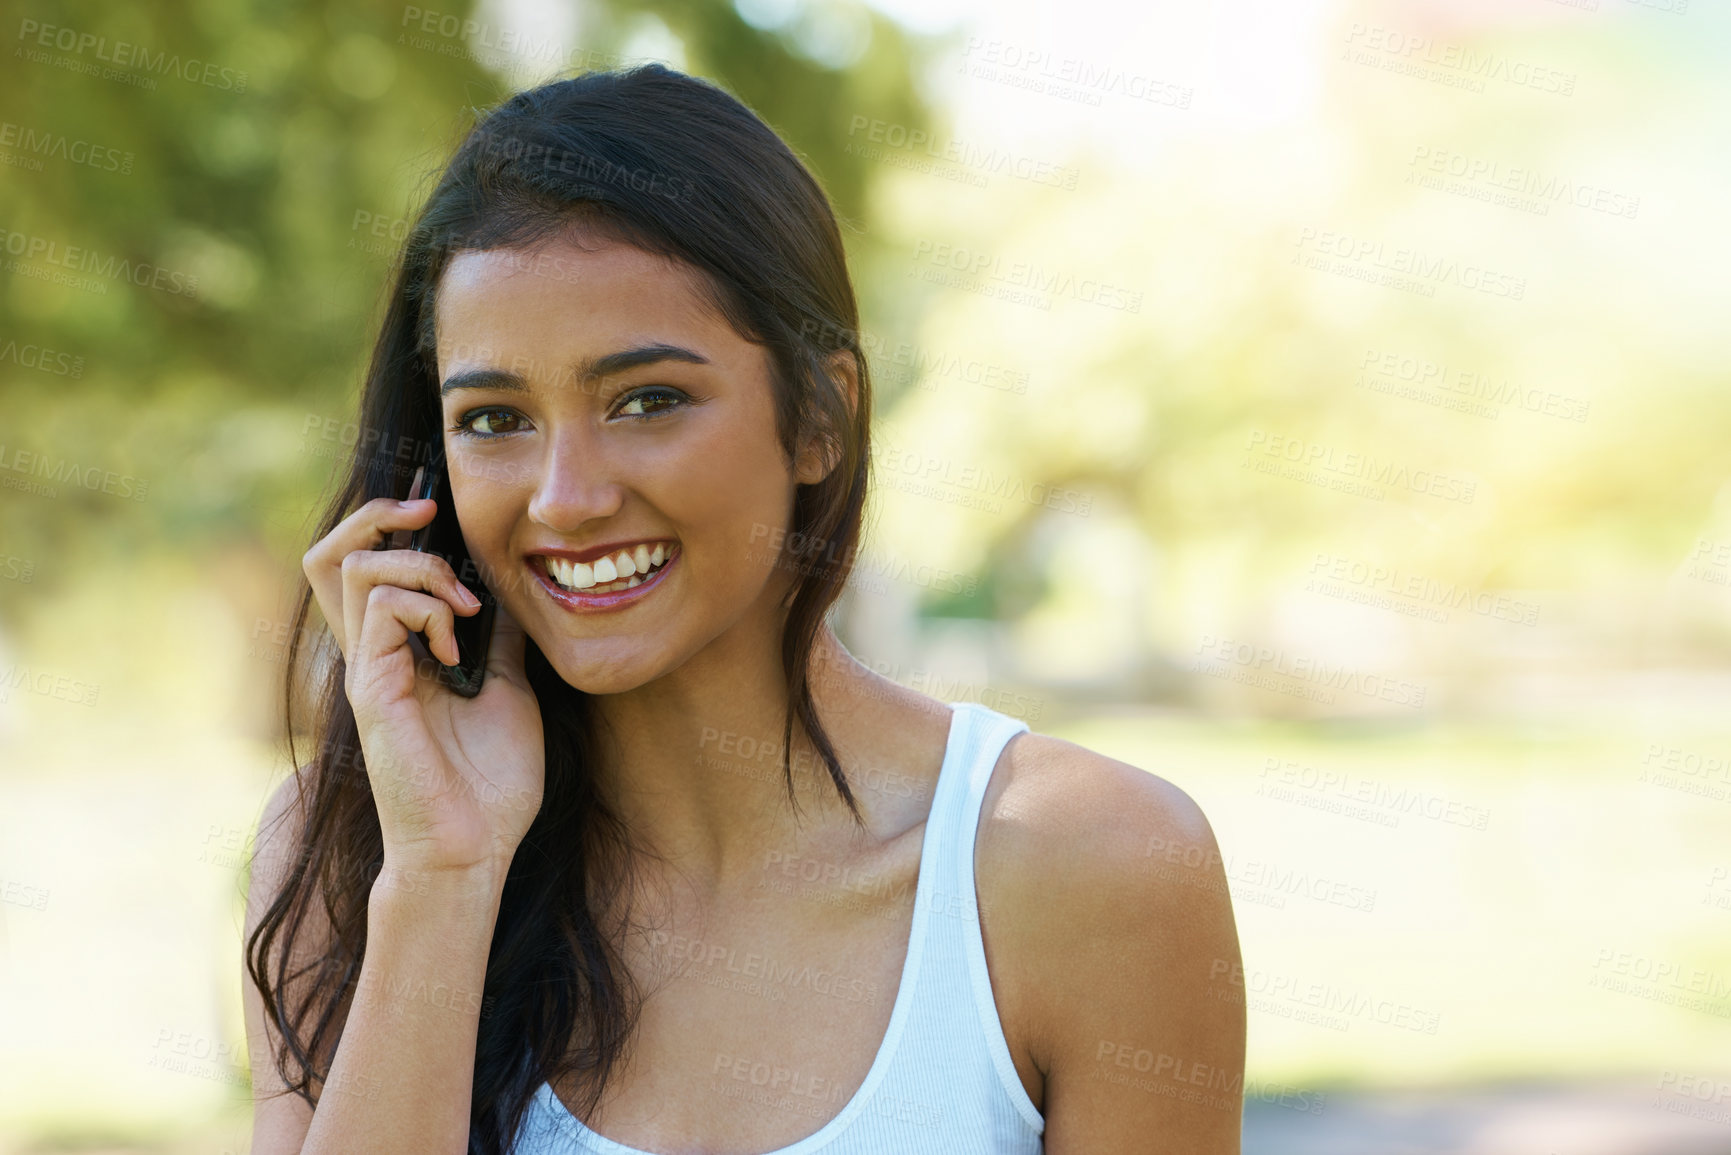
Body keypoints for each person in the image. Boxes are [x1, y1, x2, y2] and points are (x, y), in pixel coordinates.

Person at [242, 63, 1243, 1155]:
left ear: (820, 417)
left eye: (647, 400)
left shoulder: (1092, 865)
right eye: (494, 419)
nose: (565, 498)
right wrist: (443, 876)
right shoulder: (345, 861)